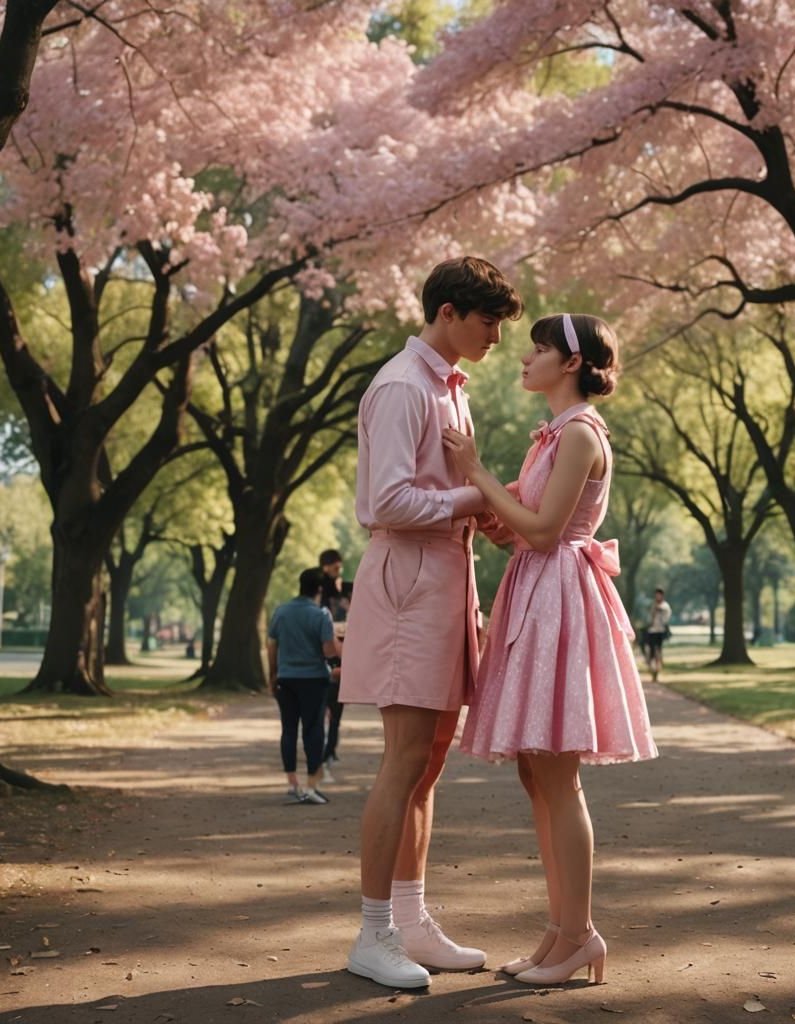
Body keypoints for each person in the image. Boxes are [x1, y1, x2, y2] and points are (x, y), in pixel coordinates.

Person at [443, 312, 659, 986]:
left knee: (558, 776)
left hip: (560, 597)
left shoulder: (580, 435)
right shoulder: (552, 437)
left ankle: (579, 935)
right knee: (535, 772)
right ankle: (560, 930)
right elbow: (518, 528)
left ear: (570, 363)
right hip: (536, 592)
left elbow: (541, 533)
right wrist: (483, 501)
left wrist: (476, 472)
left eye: (538, 349)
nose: (524, 358)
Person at [339, 257, 523, 989]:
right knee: (404, 759)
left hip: (446, 581)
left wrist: (485, 512)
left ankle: (410, 921)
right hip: (410, 582)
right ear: (447, 312)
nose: (498, 338)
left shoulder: (448, 388)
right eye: (489, 323)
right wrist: (472, 499)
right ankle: (372, 931)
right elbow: (388, 502)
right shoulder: (400, 387)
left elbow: (442, 493)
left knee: (430, 762)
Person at [267, 567, 341, 805]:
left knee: (288, 730)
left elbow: (272, 645)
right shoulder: (321, 614)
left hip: (286, 679)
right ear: (319, 589)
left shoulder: (281, 612)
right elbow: (328, 650)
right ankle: (311, 785)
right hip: (314, 680)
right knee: (313, 730)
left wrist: (273, 675)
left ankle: (293, 784)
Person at [318, 548, 352, 778]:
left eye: (339, 567)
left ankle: (330, 748)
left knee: (337, 705)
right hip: (325, 649)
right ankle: (323, 749)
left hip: (345, 649)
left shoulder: (348, 588)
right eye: (334, 567)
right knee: (324, 704)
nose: (337, 572)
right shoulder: (319, 589)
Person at [644, 587, 672, 682]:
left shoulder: (665, 606)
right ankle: (653, 671)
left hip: (659, 632)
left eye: (659, 594)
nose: (657, 596)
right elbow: (648, 618)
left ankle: (657, 671)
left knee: (657, 651)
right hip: (651, 631)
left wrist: (658, 611)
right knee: (649, 651)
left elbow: (666, 619)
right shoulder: (652, 605)